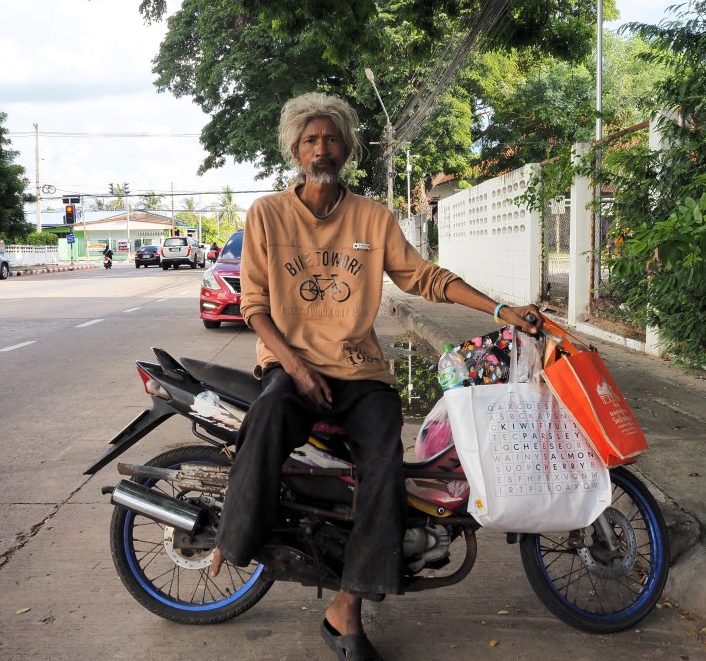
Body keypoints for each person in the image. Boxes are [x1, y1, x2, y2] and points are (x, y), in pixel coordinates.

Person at [208, 92, 542, 661]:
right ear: (295, 150)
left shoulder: (373, 218)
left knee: (385, 467)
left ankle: (347, 610)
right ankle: (234, 540)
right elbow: (255, 306)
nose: (321, 148)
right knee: (267, 415)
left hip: (360, 371)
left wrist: (500, 309)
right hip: (290, 362)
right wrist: (296, 367)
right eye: (310, 140)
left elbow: (426, 278)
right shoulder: (267, 214)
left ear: (347, 149)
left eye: (331, 139)